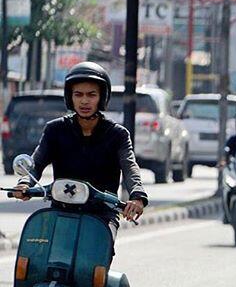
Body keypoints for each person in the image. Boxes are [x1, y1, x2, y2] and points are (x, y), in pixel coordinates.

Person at [12, 61, 147, 239]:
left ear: (102, 97)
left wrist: (137, 196)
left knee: (95, 256)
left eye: (91, 95)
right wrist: (25, 183)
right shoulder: (55, 130)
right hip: (60, 211)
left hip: (102, 216)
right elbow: (36, 162)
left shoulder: (117, 134)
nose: (84, 101)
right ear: (70, 97)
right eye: (78, 94)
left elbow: (130, 167)